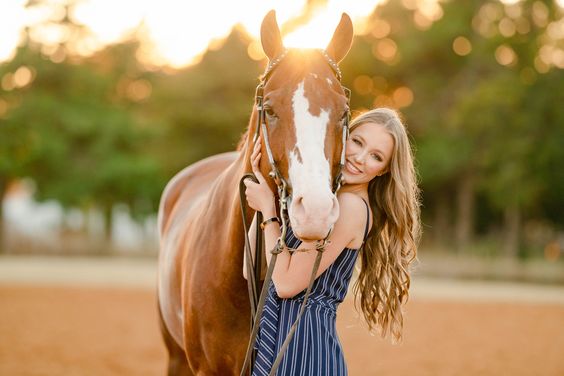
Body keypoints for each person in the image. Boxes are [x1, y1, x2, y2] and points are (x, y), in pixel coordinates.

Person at [243, 107, 421, 376]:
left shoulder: (350, 207)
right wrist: (267, 189)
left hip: (304, 350)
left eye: (376, 156)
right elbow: (252, 270)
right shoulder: (324, 201)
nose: (360, 158)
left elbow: (286, 284)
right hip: (281, 338)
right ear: (342, 135)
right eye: (357, 142)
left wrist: (268, 211)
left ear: (383, 170)